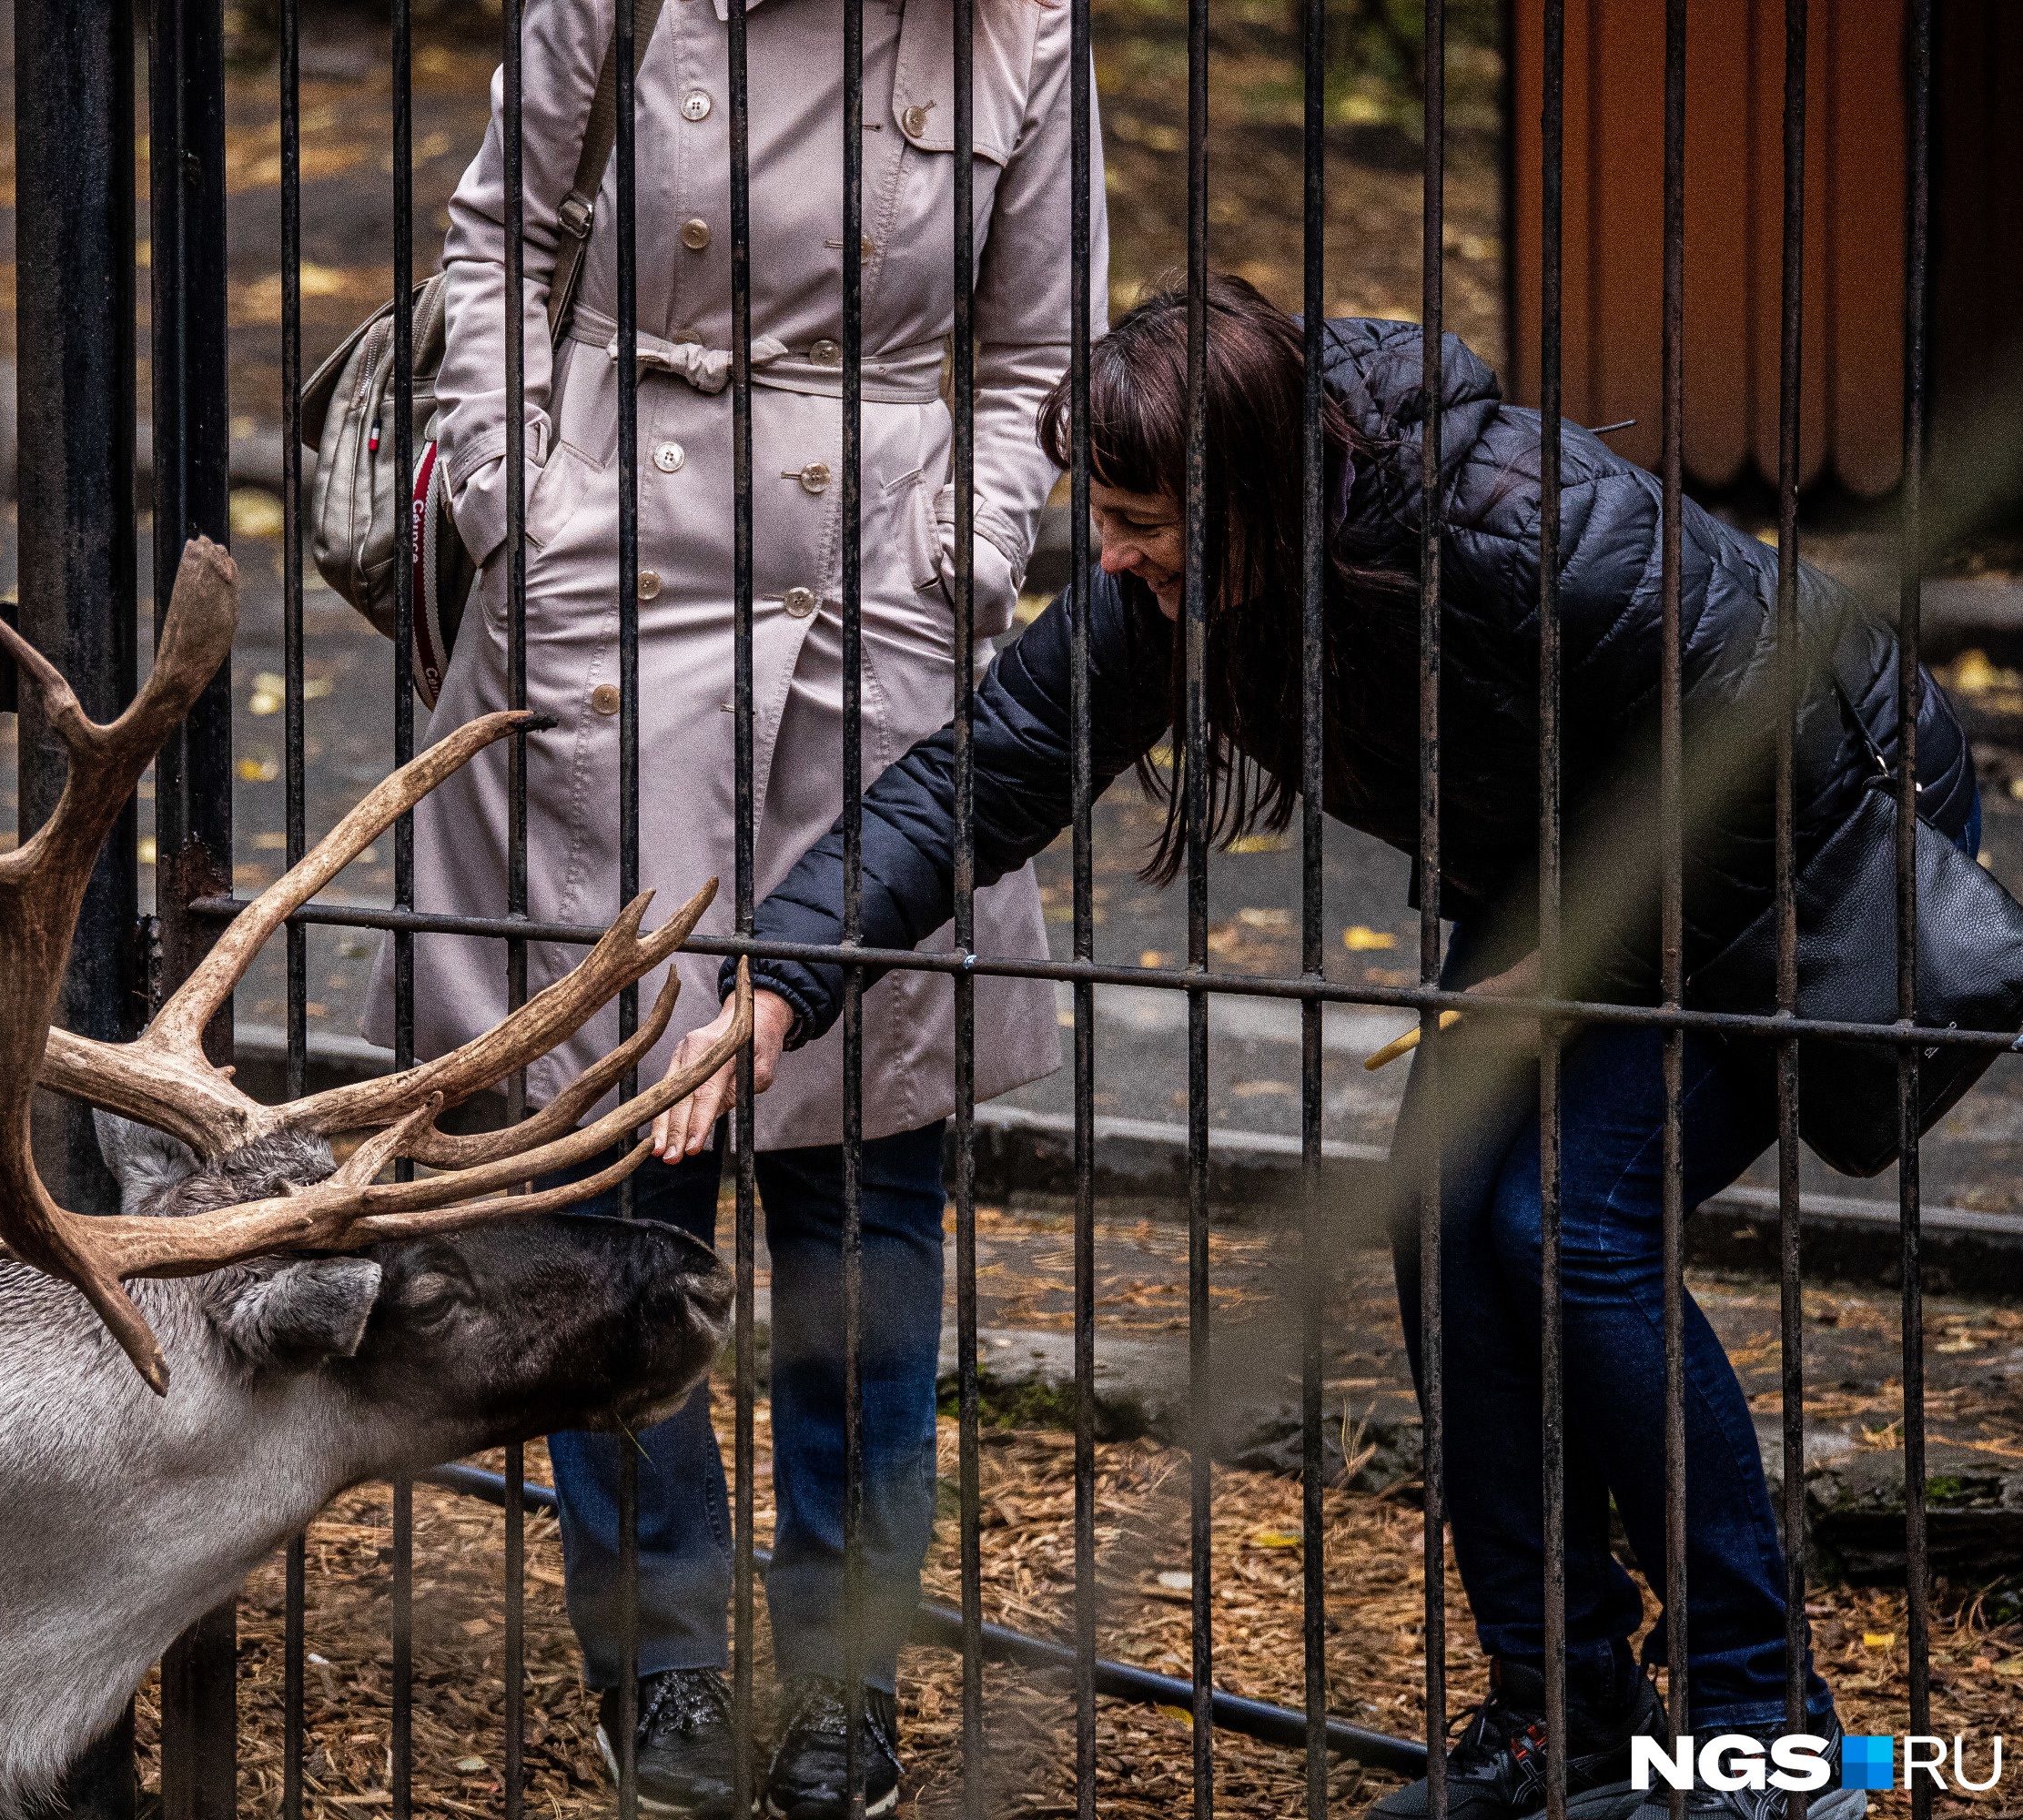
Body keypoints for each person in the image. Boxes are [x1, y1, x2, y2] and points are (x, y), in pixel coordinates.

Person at [654, 275, 1977, 1820]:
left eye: (1141, 516)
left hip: (1799, 838)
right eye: (1106, 511)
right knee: (1444, 1210)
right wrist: (779, 986)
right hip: (1577, 864)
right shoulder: (1184, 592)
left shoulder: (1525, 523)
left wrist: (1577, 961)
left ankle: (1770, 1729)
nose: (1115, 550)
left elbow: (1774, 741)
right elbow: (972, 779)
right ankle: (1567, 1712)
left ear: (1254, 492)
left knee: (1570, 1227)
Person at [366, 3, 1107, 1815]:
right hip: (603, 574)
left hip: (880, 596)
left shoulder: (1024, 29)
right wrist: (507, 488)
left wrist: (973, 549)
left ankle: (844, 1677)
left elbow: (1044, 353)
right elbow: (501, 235)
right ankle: (664, 1663)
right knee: (617, 1180)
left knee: (865, 1185)